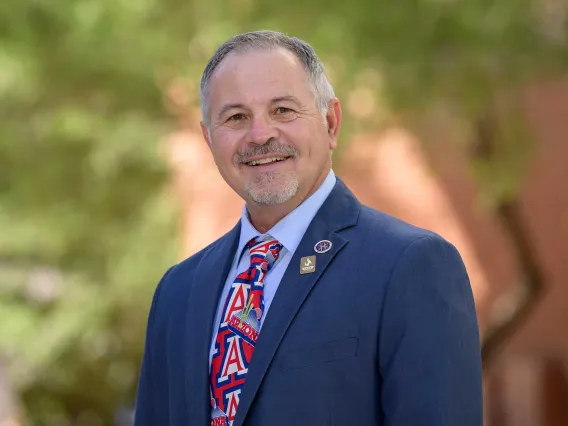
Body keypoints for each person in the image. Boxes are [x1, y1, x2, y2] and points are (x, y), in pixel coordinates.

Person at [134, 30, 483, 426]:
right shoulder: (178, 290)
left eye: (283, 110)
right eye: (235, 117)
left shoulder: (411, 266)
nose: (261, 135)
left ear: (331, 122)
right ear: (209, 138)